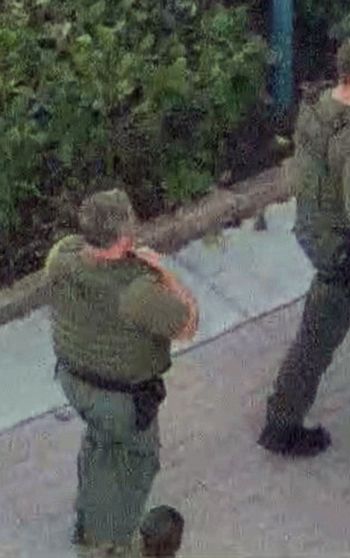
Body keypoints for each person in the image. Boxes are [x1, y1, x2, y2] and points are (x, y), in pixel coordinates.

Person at [258, 34, 350, 457]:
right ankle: (281, 425)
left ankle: (282, 420)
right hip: (347, 250)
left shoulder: (319, 107)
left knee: (342, 329)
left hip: (318, 234)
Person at [45, 189, 198, 555]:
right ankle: (109, 544)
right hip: (122, 403)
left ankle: (88, 517)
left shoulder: (61, 256)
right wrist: (163, 271)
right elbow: (188, 323)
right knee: (135, 465)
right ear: (127, 236)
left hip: (73, 381)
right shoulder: (137, 290)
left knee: (100, 443)